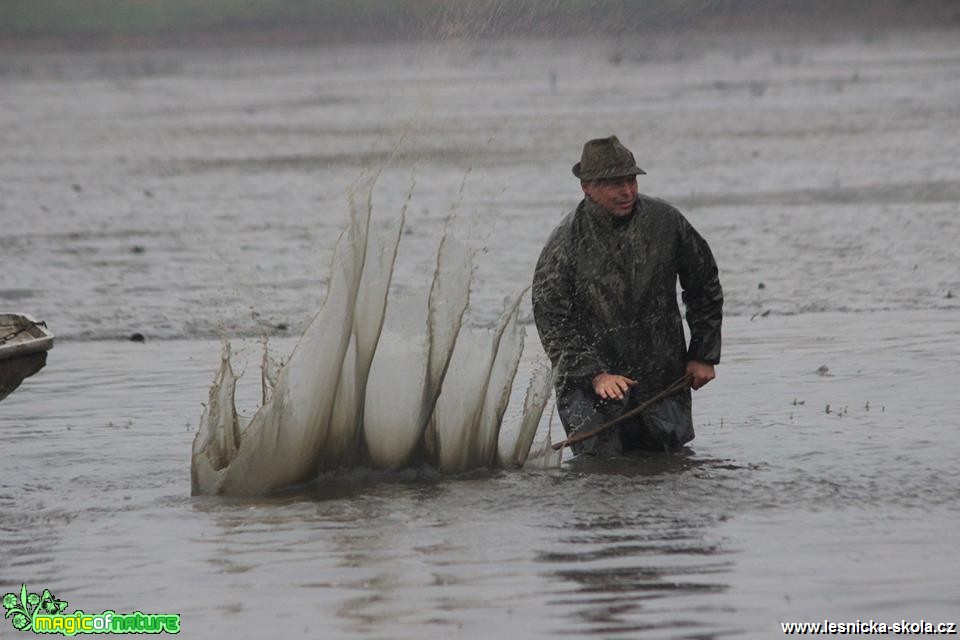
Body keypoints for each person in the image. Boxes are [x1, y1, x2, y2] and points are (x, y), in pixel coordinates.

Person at [532, 135, 723, 455]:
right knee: (600, 475)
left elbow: (704, 284)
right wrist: (594, 374)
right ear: (586, 188)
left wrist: (702, 353)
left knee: (668, 470)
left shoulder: (666, 222)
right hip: (590, 393)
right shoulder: (564, 244)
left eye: (631, 180)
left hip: (660, 380)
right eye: (614, 183)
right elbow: (552, 319)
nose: (627, 191)